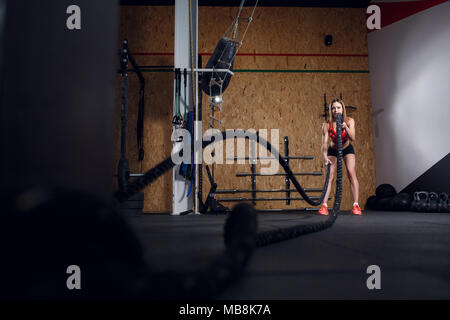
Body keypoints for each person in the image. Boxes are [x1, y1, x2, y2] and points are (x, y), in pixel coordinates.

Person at [318, 98, 362, 215]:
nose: (335, 110)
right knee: (330, 176)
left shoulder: (349, 121)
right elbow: (324, 144)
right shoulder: (326, 124)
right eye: (333, 108)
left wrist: (345, 128)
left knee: (351, 172)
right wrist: (325, 156)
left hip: (346, 148)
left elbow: (353, 138)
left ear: (342, 109)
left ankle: (356, 205)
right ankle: (324, 206)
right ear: (330, 110)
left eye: (338, 107)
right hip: (333, 149)